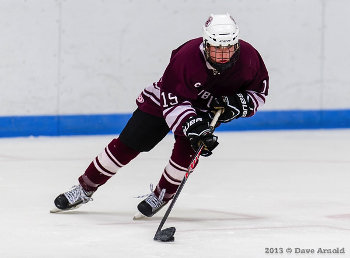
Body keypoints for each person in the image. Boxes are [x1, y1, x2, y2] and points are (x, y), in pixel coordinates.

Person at [52, 13, 269, 217]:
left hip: (205, 111)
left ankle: (161, 195)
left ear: (236, 44)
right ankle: (84, 187)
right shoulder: (187, 56)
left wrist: (239, 104)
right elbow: (172, 98)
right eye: (216, 50)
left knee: (184, 157)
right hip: (163, 101)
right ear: (206, 43)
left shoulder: (250, 57)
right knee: (127, 144)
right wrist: (191, 124)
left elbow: (258, 92)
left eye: (228, 50)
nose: (222, 56)